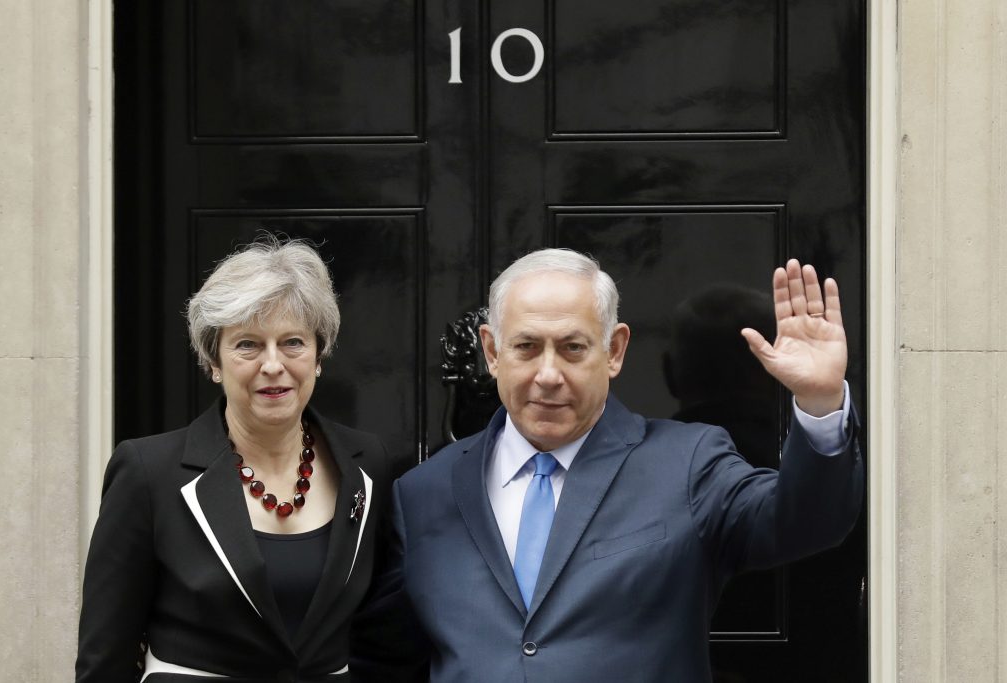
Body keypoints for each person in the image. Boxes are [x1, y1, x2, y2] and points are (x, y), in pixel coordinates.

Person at [388, 248, 863, 682]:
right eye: (526, 347)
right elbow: (390, 656)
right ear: (492, 352)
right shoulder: (424, 491)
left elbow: (804, 521)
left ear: (614, 351)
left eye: (573, 348)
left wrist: (819, 401)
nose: (548, 375)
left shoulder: (686, 463)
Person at [76, 239, 399, 682]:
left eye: (292, 343)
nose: (273, 364)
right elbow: (105, 659)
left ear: (318, 356)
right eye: (248, 345)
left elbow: (381, 634)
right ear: (213, 361)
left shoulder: (367, 465)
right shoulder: (148, 473)